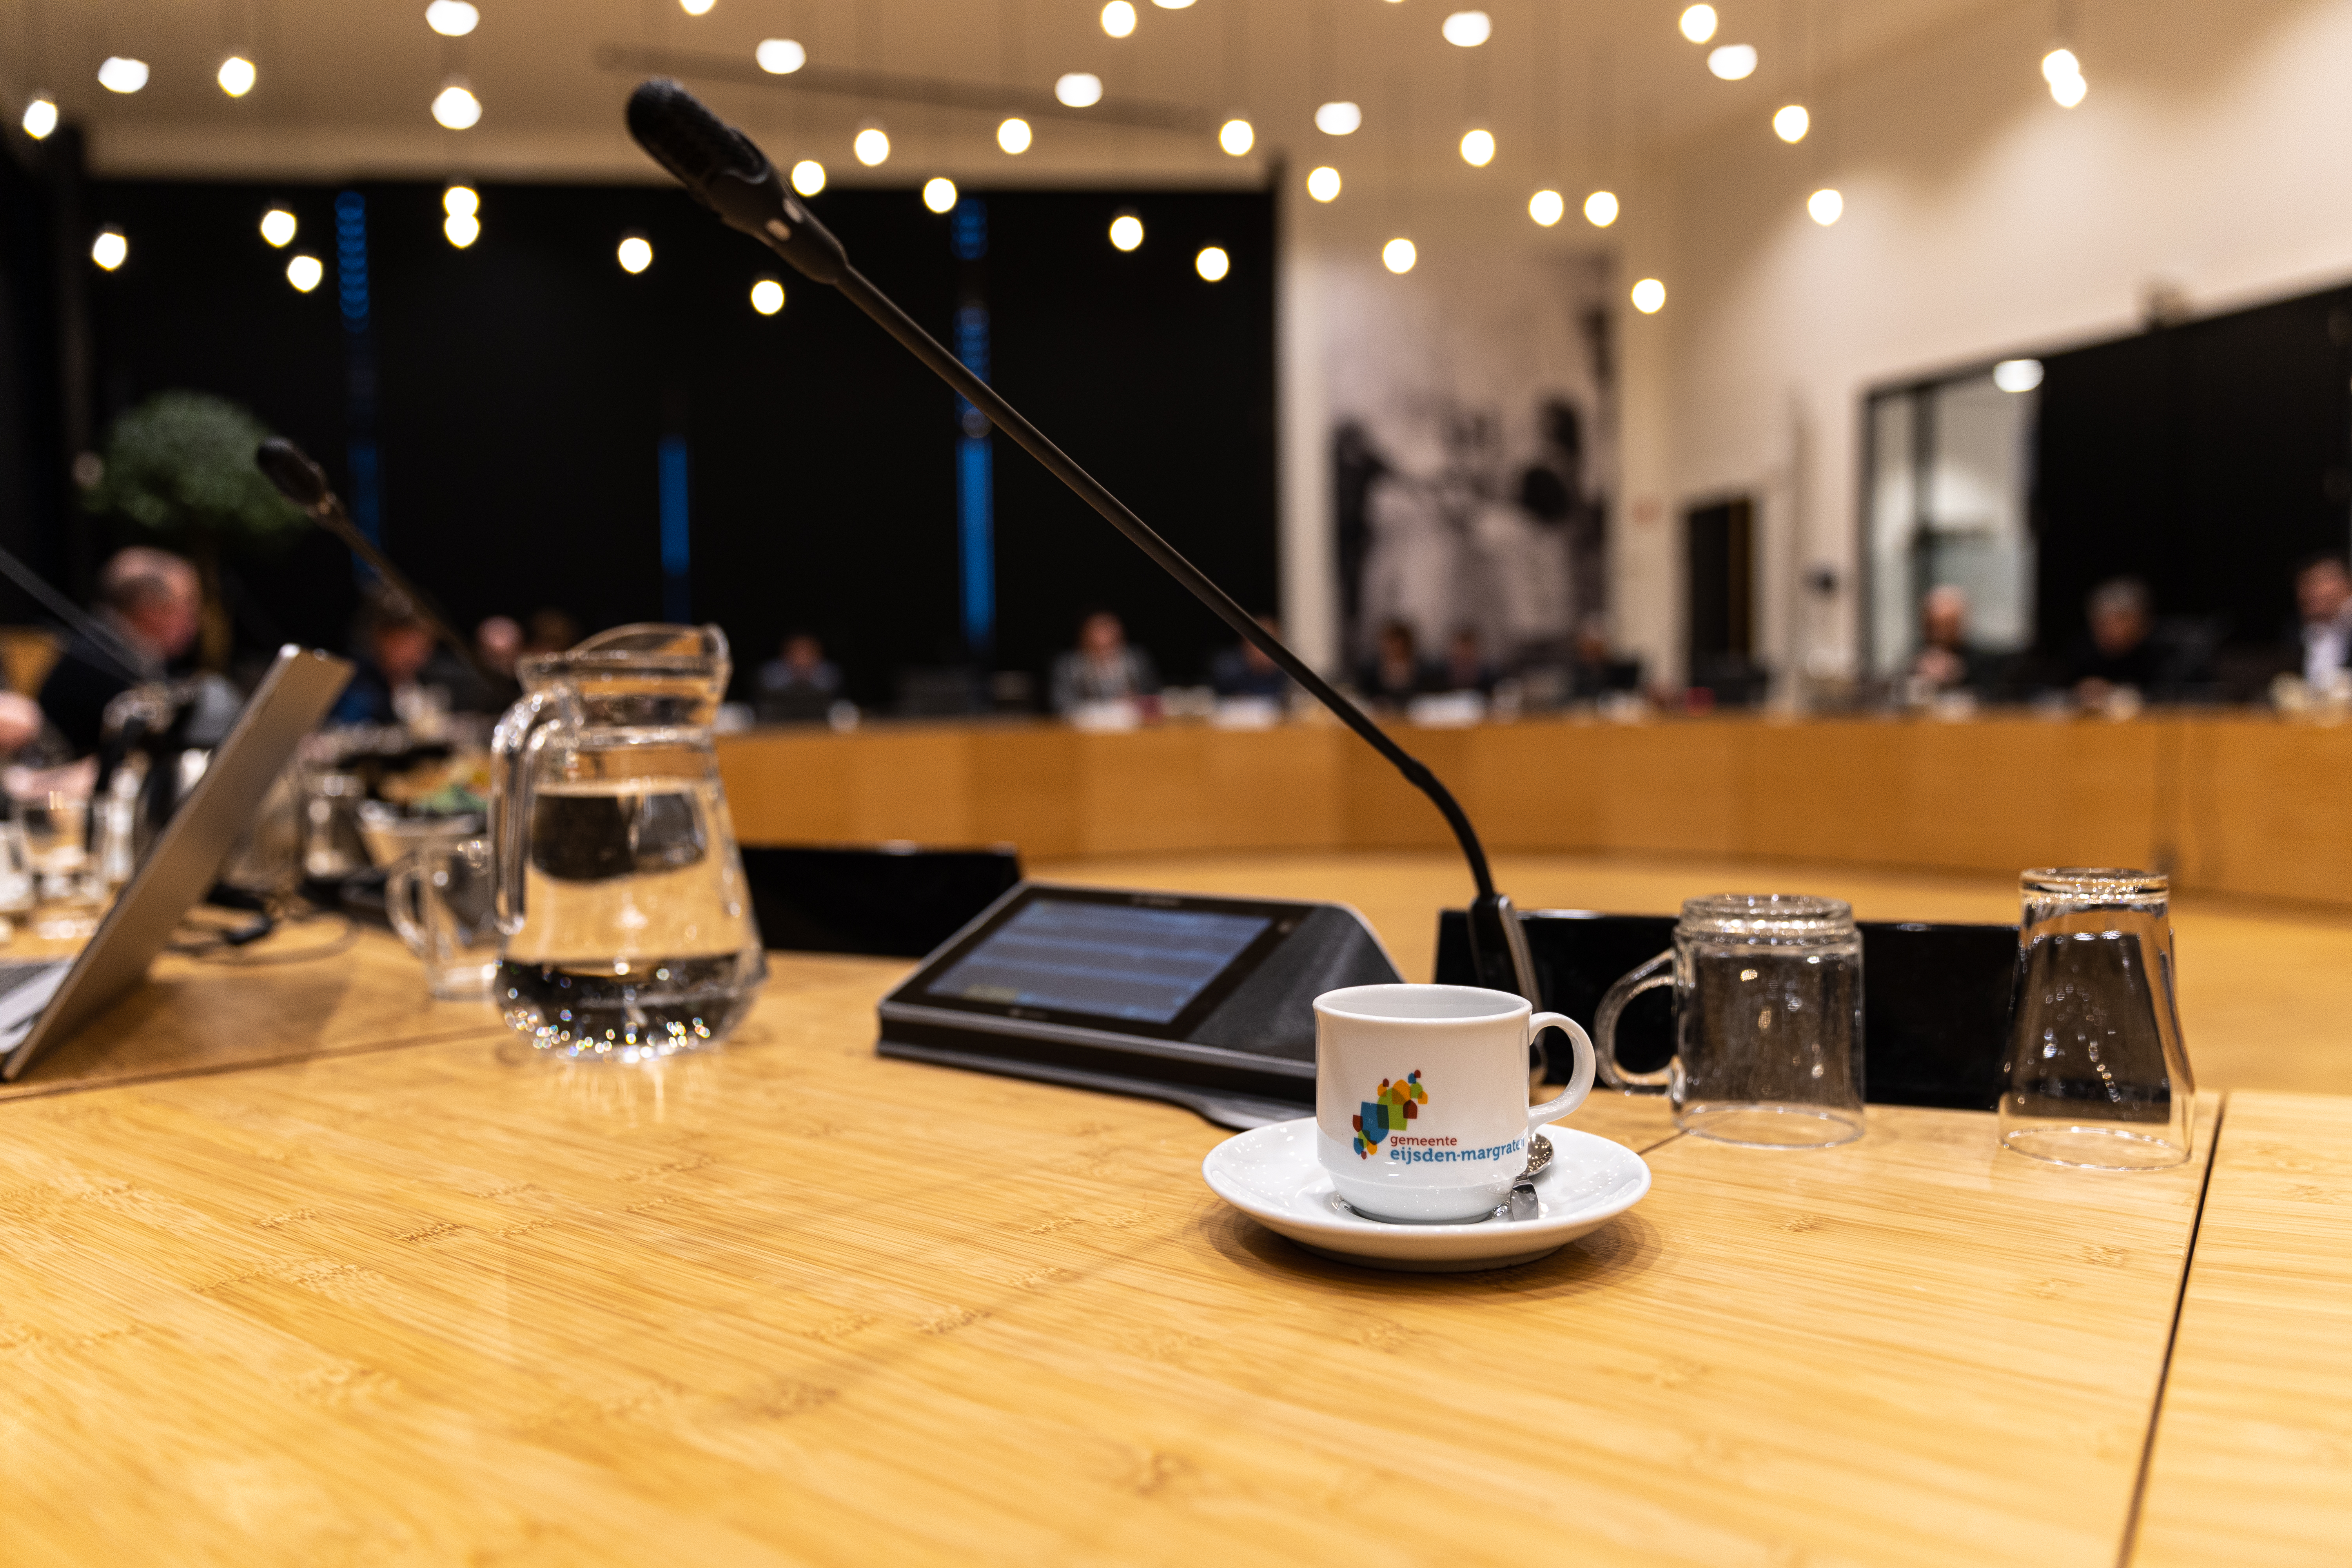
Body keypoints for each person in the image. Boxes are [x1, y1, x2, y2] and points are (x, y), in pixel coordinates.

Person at [37, 546, 202, 756]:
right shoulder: (93, 663)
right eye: (187, 606)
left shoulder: (130, 652)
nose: (194, 623)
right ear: (148, 609)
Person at [331, 586, 437, 726]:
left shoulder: (409, 683)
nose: (420, 659)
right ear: (382, 637)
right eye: (411, 646)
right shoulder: (353, 686)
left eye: (425, 649)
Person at [2061, 577, 2162, 705]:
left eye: (2120, 620)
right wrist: (2078, 693)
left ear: (2141, 621)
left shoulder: (2164, 654)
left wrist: (2122, 695)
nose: (2110, 629)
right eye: (2101, 622)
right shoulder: (2081, 653)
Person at [1050, 610, 1160, 715]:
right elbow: (1061, 703)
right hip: (1083, 729)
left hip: (1131, 726)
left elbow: (1153, 696)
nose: (1104, 638)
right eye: (1098, 631)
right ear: (1085, 636)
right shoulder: (1068, 665)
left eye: (1109, 631)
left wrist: (1136, 701)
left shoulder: (1136, 660)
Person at [1907, 584, 2007, 696]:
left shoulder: (1983, 662)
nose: (1939, 633)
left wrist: (1960, 673)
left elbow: (1995, 699)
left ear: (1961, 624)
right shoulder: (1914, 657)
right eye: (1932, 625)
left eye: (1947, 625)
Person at [2291, 553, 2352, 688]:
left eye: (2316, 583)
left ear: (2346, 584)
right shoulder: (2312, 629)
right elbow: (2316, 682)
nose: (2307, 593)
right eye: (2303, 585)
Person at [755, 632, 842, 723]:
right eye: (796, 652)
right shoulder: (771, 673)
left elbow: (836, 704)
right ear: (785, 654)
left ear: (818, 654)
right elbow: (764, 703)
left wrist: (807, 675)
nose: (802, 657)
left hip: (819, 725)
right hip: (779, 725)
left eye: (807, 653)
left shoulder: (830, 672)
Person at [1209, 613, 1290, 701]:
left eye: (1271, 643)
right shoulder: (1228, 668)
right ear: (1245, 643)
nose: (1264, 650)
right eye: (1258, 643)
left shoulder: (1285, 672)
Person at [1356, 620, 1436, 709]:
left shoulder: (1424, 671)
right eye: (1392, 643)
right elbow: (1364, 698)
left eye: (1400, 644)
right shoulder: (1370, 671)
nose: (1396, 648)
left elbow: (1427, 699)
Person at [1440, 628, 1499, 697]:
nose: (1464, 663)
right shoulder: (1437, 679)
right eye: (1460, 658)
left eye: (1468, 658)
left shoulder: (1490, 681)